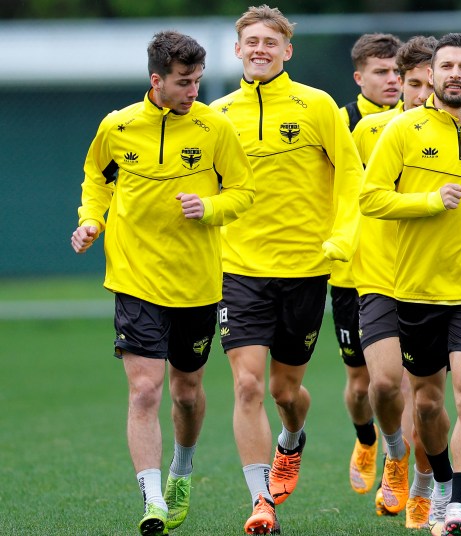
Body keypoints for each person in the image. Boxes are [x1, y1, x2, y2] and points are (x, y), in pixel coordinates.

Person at [71, 30, 255, 536]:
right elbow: (96, 178)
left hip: (196, 282)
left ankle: (182, 469)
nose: (193, 90)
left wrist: (209, 207)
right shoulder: (118, 126)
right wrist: (91, 220)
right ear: (157, 80)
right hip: (135, 279)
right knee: (145, 390)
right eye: (183, 82)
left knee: (187, 393)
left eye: (197, 81)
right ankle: (152, 501)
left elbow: (243, 191)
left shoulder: (215, 127)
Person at [360, 32, 461, 536]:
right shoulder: (402, 131)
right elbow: (371, 198)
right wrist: (430, 202)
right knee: (429, 403)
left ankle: (457, 506)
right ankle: (439, 481)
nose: (455, 74)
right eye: (447, 66)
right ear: (431, 74)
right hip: (417, 289)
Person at [210, 5, 363, 534]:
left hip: (304, 269)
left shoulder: (317, 106)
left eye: (270, 42)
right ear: (237, 49)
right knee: (248, 385)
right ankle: (261, 503)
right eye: (251, 41)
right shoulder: (217, 114)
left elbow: (351, 177)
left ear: (287, 50)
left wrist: (342, 236)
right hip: (238, 269)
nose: (260, 49)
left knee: (284, 391)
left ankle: (291, 440)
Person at [350, 35, 438, 528]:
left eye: (430, 85)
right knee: (383, 383)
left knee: (426, 398)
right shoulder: (369, 131)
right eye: (414, 84)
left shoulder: (459, 134)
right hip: (379, 276)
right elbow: (350, 194)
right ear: (399, 84)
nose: (423, 95)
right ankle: (394, 452)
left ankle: (424, 487)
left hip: (436, 282)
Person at [333, 32, 403, 498]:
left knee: (402, 382)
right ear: (360, 77)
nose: (392, 80)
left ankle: (403, 471)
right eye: (381, 72)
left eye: (398, 71)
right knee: (361, 386)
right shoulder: (342, 123)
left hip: (403, 272)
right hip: (350, 273)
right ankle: (365, 439)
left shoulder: (420, 122)